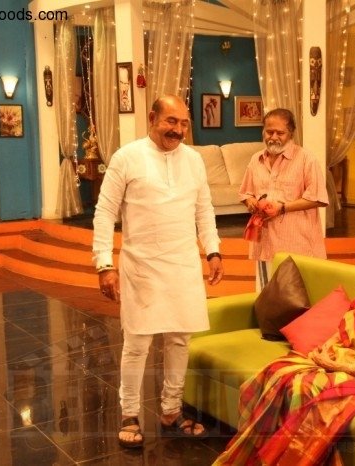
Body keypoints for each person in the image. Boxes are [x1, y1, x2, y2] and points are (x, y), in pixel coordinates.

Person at [213, 247, 355, 465]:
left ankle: (287, 457)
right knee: (276, 371)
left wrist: (335, 366)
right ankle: (261, 451)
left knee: (301, 387)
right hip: (337, 361)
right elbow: (341, 333)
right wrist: (324, 349)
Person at [92, 94, 224, 448]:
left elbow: (204, 209)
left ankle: (171, 410)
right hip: (142, 265)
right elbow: (105, 212)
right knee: (137, 342)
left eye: (183, 123)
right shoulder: (127, 157)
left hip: (183, 263)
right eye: (171, 121)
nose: (178, 130)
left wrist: (213, 249)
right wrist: (104, 263)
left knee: (180, 339)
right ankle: (129, 414)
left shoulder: (193, 160)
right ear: (152, 118)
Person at [240, 108, 329, 288]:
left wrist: (282, 208)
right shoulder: (256, 159)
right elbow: (246, 193)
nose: (273, 137)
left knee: (294, 297)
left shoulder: (306, 159)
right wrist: (251, 202)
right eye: (269, 132)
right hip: (264, 244)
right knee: (265, 294)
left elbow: (318, 198)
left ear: (291, 133)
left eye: (280, 133)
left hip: (297, 245)